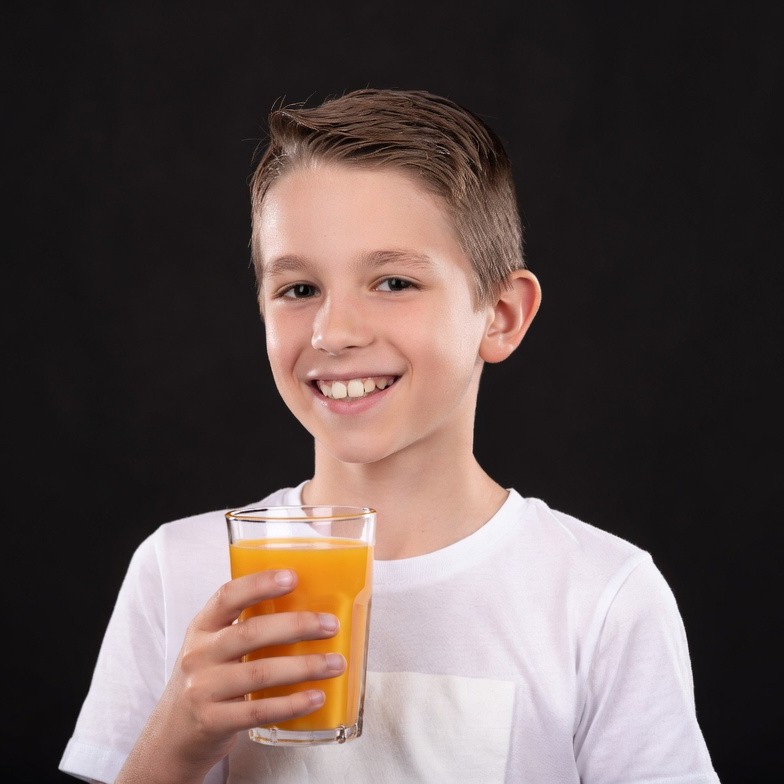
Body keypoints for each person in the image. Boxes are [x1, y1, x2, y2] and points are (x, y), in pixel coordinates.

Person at [59, 88, 719, 783]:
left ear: (499, 315)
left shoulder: (600, 597)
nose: (334, 332)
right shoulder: (179, 570)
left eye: (394, 281)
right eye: (298, 289)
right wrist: (178, 742)